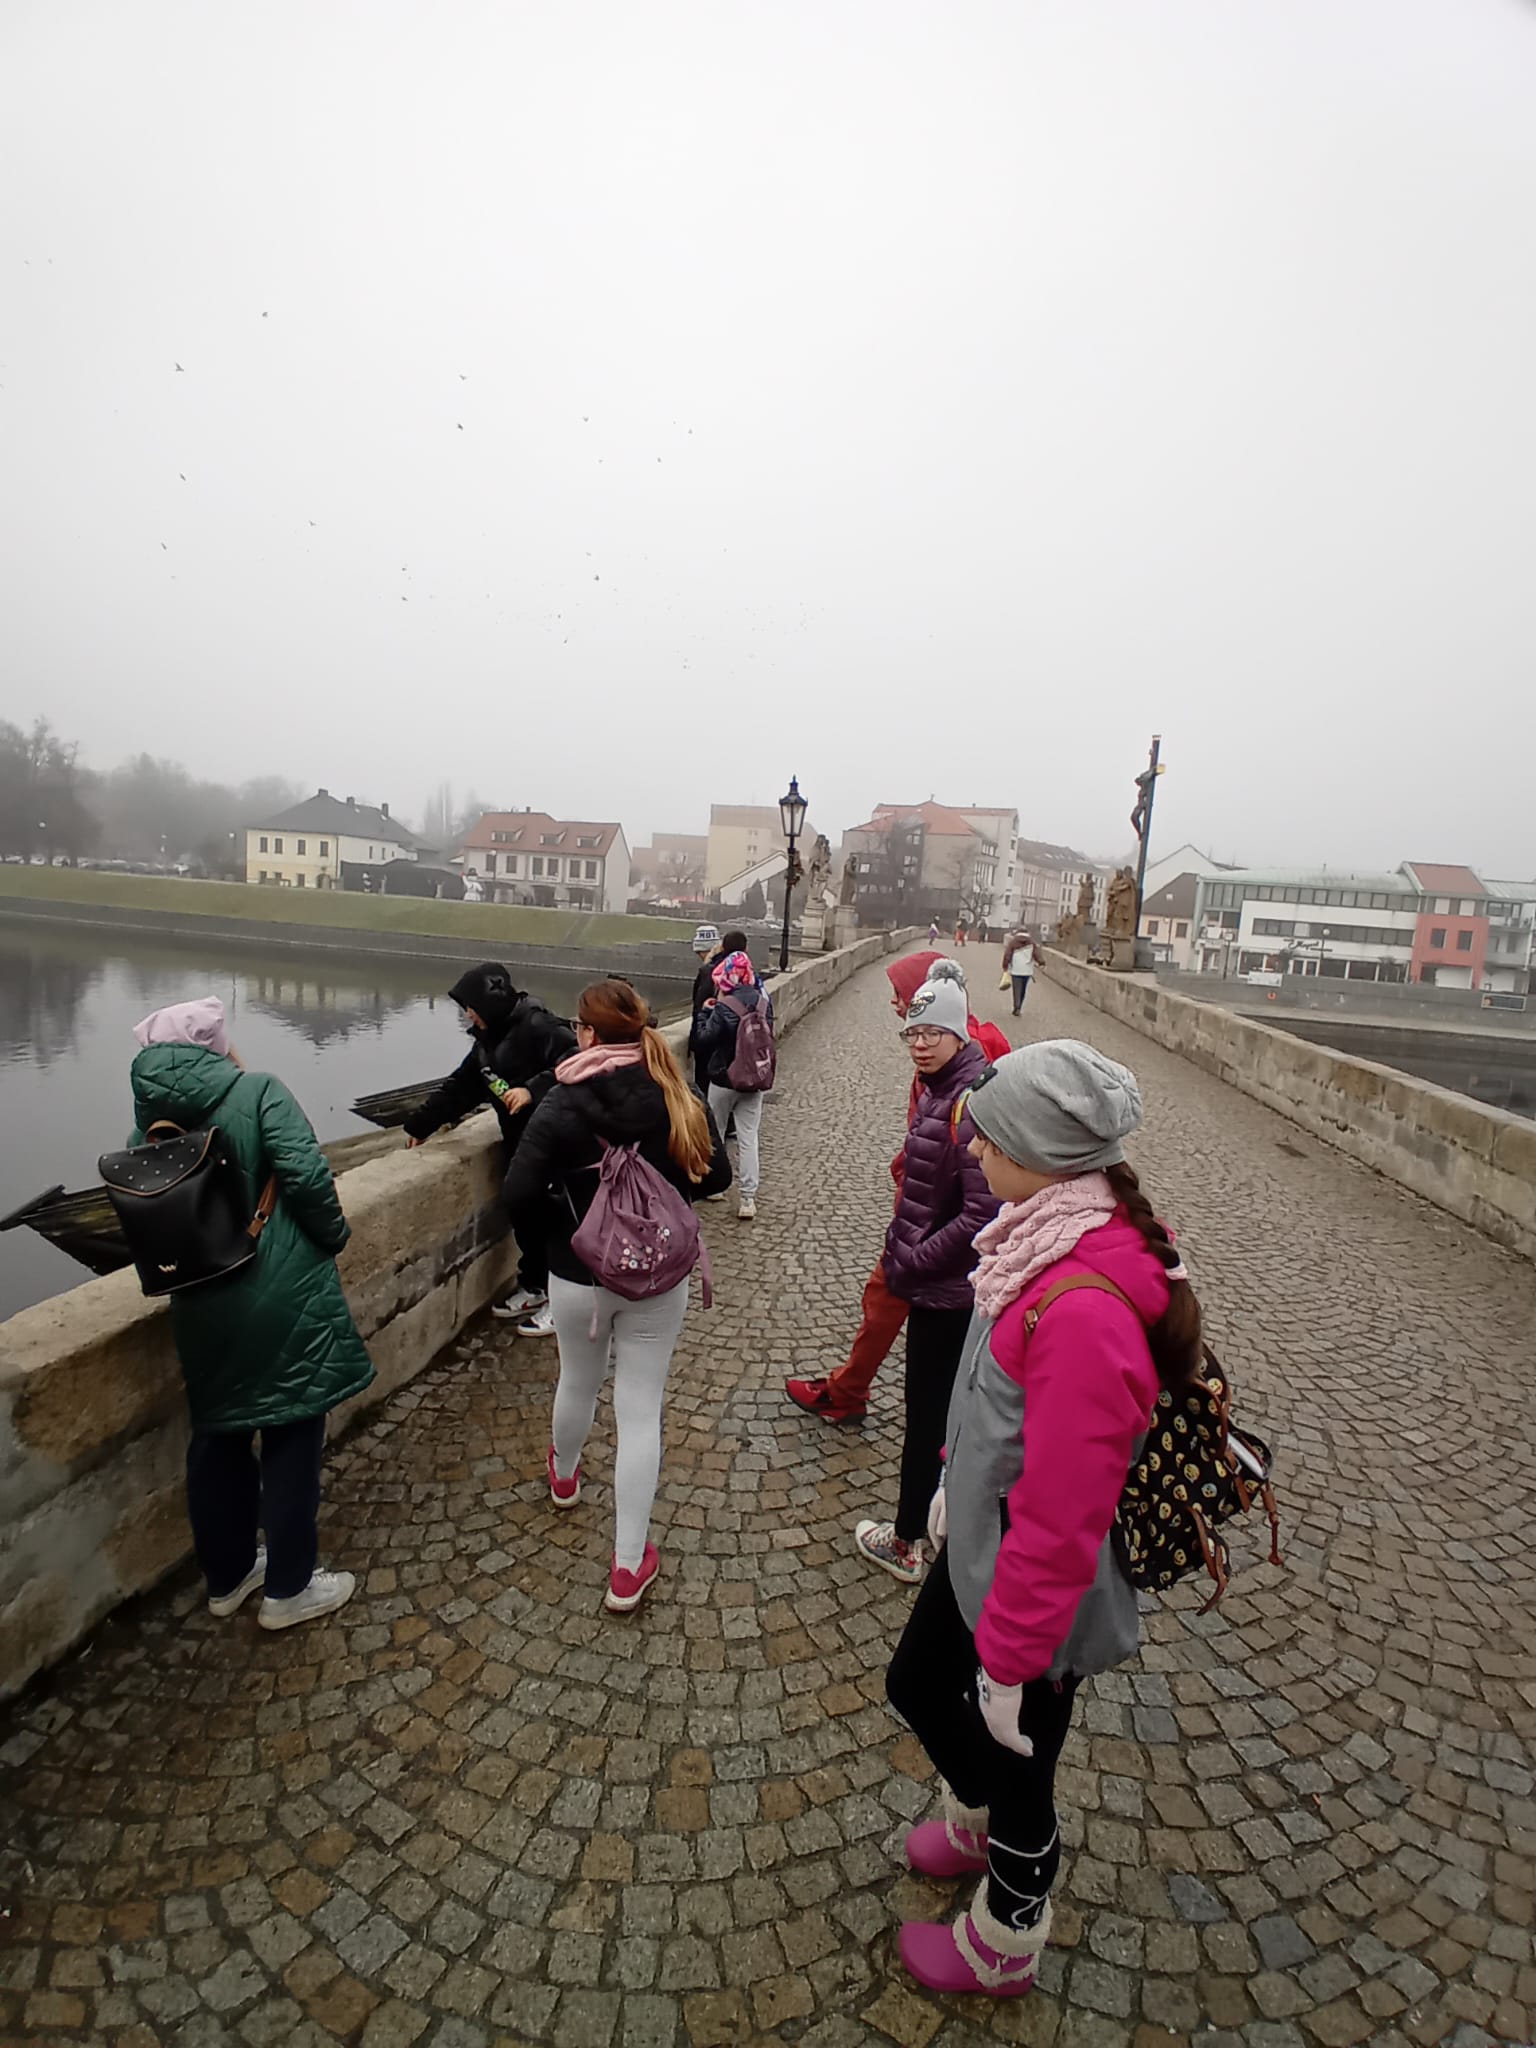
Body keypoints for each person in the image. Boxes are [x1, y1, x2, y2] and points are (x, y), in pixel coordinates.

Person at [888, 1040, 1199, 1996]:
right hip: (987, 1547)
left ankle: (1008, 1934)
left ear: (1045, 1154)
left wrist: (1014, 1661)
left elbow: (1064, 1517)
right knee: (917, 1682)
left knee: (1022, 1761)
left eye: (990, 1139)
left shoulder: (1083, 1306)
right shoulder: (1039, 1233)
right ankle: (983, 1816)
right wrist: (954, 1479)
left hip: (1035, 1595)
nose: (975, 1151)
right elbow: (996, 1405)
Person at [128, 998, 373, 1630]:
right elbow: (307, 1178)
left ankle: (229, 1577)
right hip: (282, 1292)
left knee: (219, 1436)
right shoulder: (258, 1090)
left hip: (200, 1304)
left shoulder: (147, 1128)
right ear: (215, 1044)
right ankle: (289, 1590)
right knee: (291, 1430)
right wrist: (333, 1238)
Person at [500, 980, 730, 1612]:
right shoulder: (675, 1087)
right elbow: (717, 1176)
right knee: (640, 1407)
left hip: (577, 1276)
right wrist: (660, 1200)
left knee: (577, 1380)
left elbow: (517, 1192)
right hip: (657, 1279)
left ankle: (564, 1478)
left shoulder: (562, 1099)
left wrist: (571, 1226)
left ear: (588, 1033)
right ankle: (628, 1566)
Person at [787, 955, 1007, 1425]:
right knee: (884, 1299)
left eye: (900, 992)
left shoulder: (966, 1065)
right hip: (926, 1208)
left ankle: (848, 1392)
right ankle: (850, 1388)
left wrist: (919, 1226)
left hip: (937, 1220)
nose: (893, 1002)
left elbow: (976, 1175)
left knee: (888, 1301)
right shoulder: (948, 1051)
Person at [852, 972, 998, 1582]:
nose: (919, 1043)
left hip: (947, 1292)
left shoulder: (968, 1101)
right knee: (947, 1414)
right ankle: (943, 1525)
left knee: (929, 1417)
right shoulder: (944, 1087)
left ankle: (908, 1541)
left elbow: (981, 1212)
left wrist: (914, 1257)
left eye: (933, 1032)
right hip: (944, 1283)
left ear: (959, 1031)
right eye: (912, 1033)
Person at [403, 963, 576, 1336]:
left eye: (471, 1006)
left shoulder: (540, 1027)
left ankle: (563, 1301)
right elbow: (460, 1089)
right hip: (522, 1146)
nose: (468, 1014)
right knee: (526, 1218)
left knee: (557, 1223)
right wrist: (420, 1125)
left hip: (558, 1147)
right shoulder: (487, 1044)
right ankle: (535, 1287)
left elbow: (577, 1065)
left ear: (490, 1002)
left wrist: (532, 1089)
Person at [693, 945, 772, 1222]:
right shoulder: (763, 1003)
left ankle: (715, 1187)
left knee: (715, 1131)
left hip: (724, 1079)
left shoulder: (725, 1005)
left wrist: (705, 1013)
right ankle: (748, 1199)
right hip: (754, 1079)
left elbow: (704, 1040)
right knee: (749, 1137)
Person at [1003, 930, 1035, 1015]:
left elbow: (1007, 955)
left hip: (1016, 969)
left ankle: (1016, 1007)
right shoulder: (1032, 942)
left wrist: (1005, 965)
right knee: (1023, 989)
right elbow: (1037, 954)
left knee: (1016, 989)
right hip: (1027, 970)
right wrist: (1042, 962)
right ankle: (1019, 1006)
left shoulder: (1013, 942)